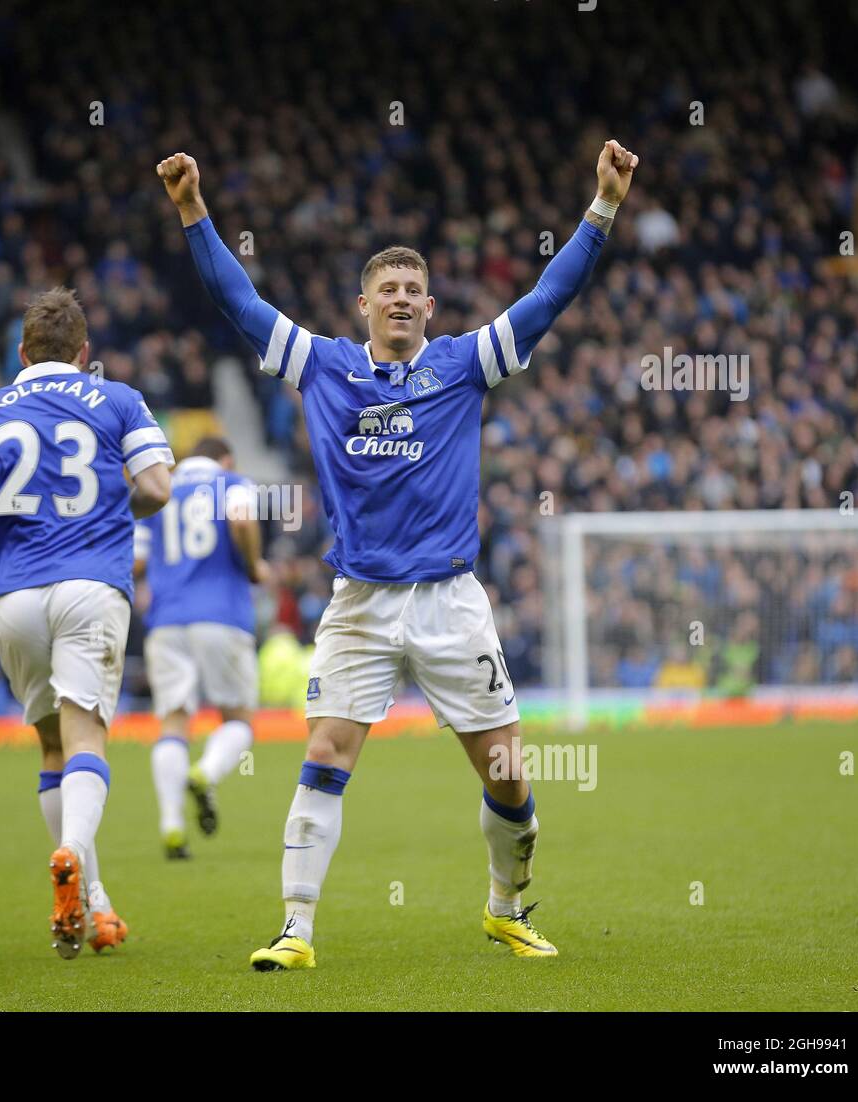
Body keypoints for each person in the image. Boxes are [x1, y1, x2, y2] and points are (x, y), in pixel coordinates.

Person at [157, 138, 638, 968]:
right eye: (390, 290)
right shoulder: (324, 368)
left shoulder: (463, 365)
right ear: (364, 304)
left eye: (415, 290)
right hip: (361, 603)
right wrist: (194, 210)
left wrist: (602, 207)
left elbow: (548, 296)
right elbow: (238, 300)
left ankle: (505, 907)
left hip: (450, 600)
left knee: (509, 778)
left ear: (430, 303)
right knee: (323, 753)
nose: (404, 300)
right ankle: (295, 930)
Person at [0, 287, 173, 959]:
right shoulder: (118, 399)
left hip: (14, 596)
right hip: (90, 586)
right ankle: (73, 854)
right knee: (87, 740)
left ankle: (94, 900)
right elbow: (159, 487)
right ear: (84, 353)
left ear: (21, 353)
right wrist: (106, 517)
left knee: (51, 746)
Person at [134, 435, 268, 858]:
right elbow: (243, 522)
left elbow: (136, 560)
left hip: (167, 619)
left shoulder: (160, 489)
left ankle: (171, 825)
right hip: (221, 615)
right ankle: (206, 773)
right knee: (238, 718)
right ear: (224, 459)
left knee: (173, 723)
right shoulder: (232, 482)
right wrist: (253, 567)